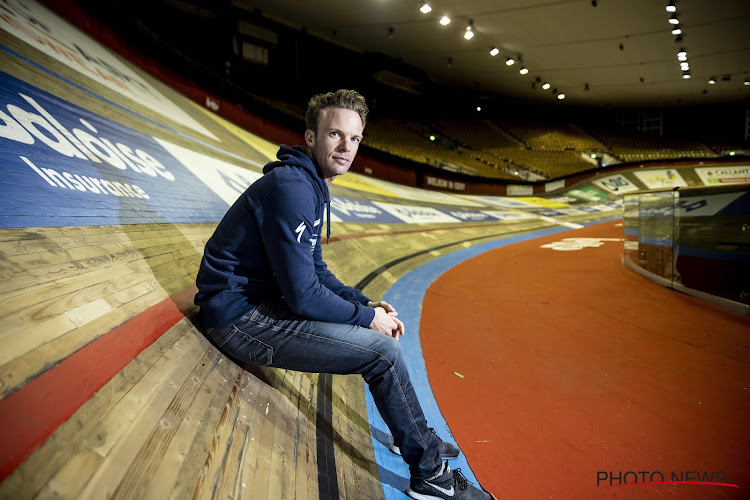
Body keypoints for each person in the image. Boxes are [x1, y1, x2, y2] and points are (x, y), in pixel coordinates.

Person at [195, 89, 496, 500]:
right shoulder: (294, 189)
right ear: (311, 137)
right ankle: (430, 475)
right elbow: (303, 297)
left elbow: (315, 268)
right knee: (382, 352)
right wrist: (368, 319)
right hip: (239, 319)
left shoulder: (310, 183)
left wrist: (364, 303)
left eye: (354, 139)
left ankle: (414, 436)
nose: (346, 147)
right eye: (335, 134)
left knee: (378, 338)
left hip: (259, 304)